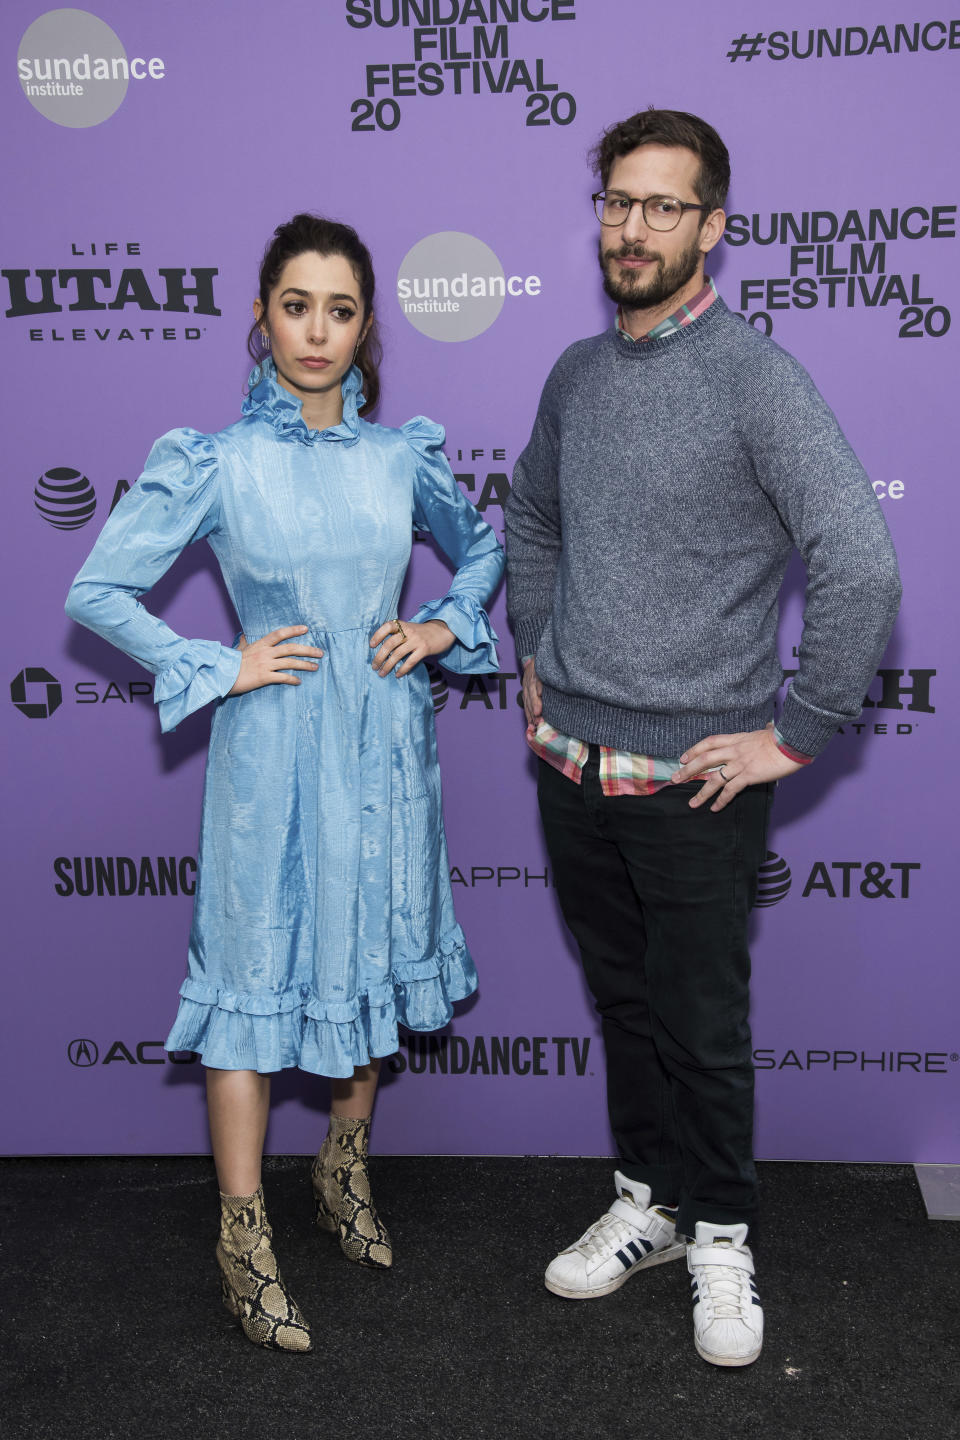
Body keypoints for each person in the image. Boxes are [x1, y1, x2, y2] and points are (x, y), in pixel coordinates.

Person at [66, 213, 504, 1354]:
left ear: (367, 331)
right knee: (251, 982)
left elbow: (488, 548)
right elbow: (100, 589)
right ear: (260, 317)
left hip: (385, 751)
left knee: (367, 956)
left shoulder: (402, 455)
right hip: (267, 757)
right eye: (296, 305)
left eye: (342, 310)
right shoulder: (218, 461)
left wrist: (441, 623)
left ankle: (343, 1172)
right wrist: (220, 661)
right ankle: (242, 1235)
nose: (318, 330)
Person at [504, 109, 900, 1368]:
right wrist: (533, 652)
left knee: (700, 1021)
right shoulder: (573, 374)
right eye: (618, 203)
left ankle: (722, 1233)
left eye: (663, 207)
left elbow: (861, 563)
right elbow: (531, 516)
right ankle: (650, 1204)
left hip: (696, 783)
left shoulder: (755, 378)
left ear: (714, 227)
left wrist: (798, 731)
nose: (632, 228)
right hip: (572, 762)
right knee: (624, 1003)